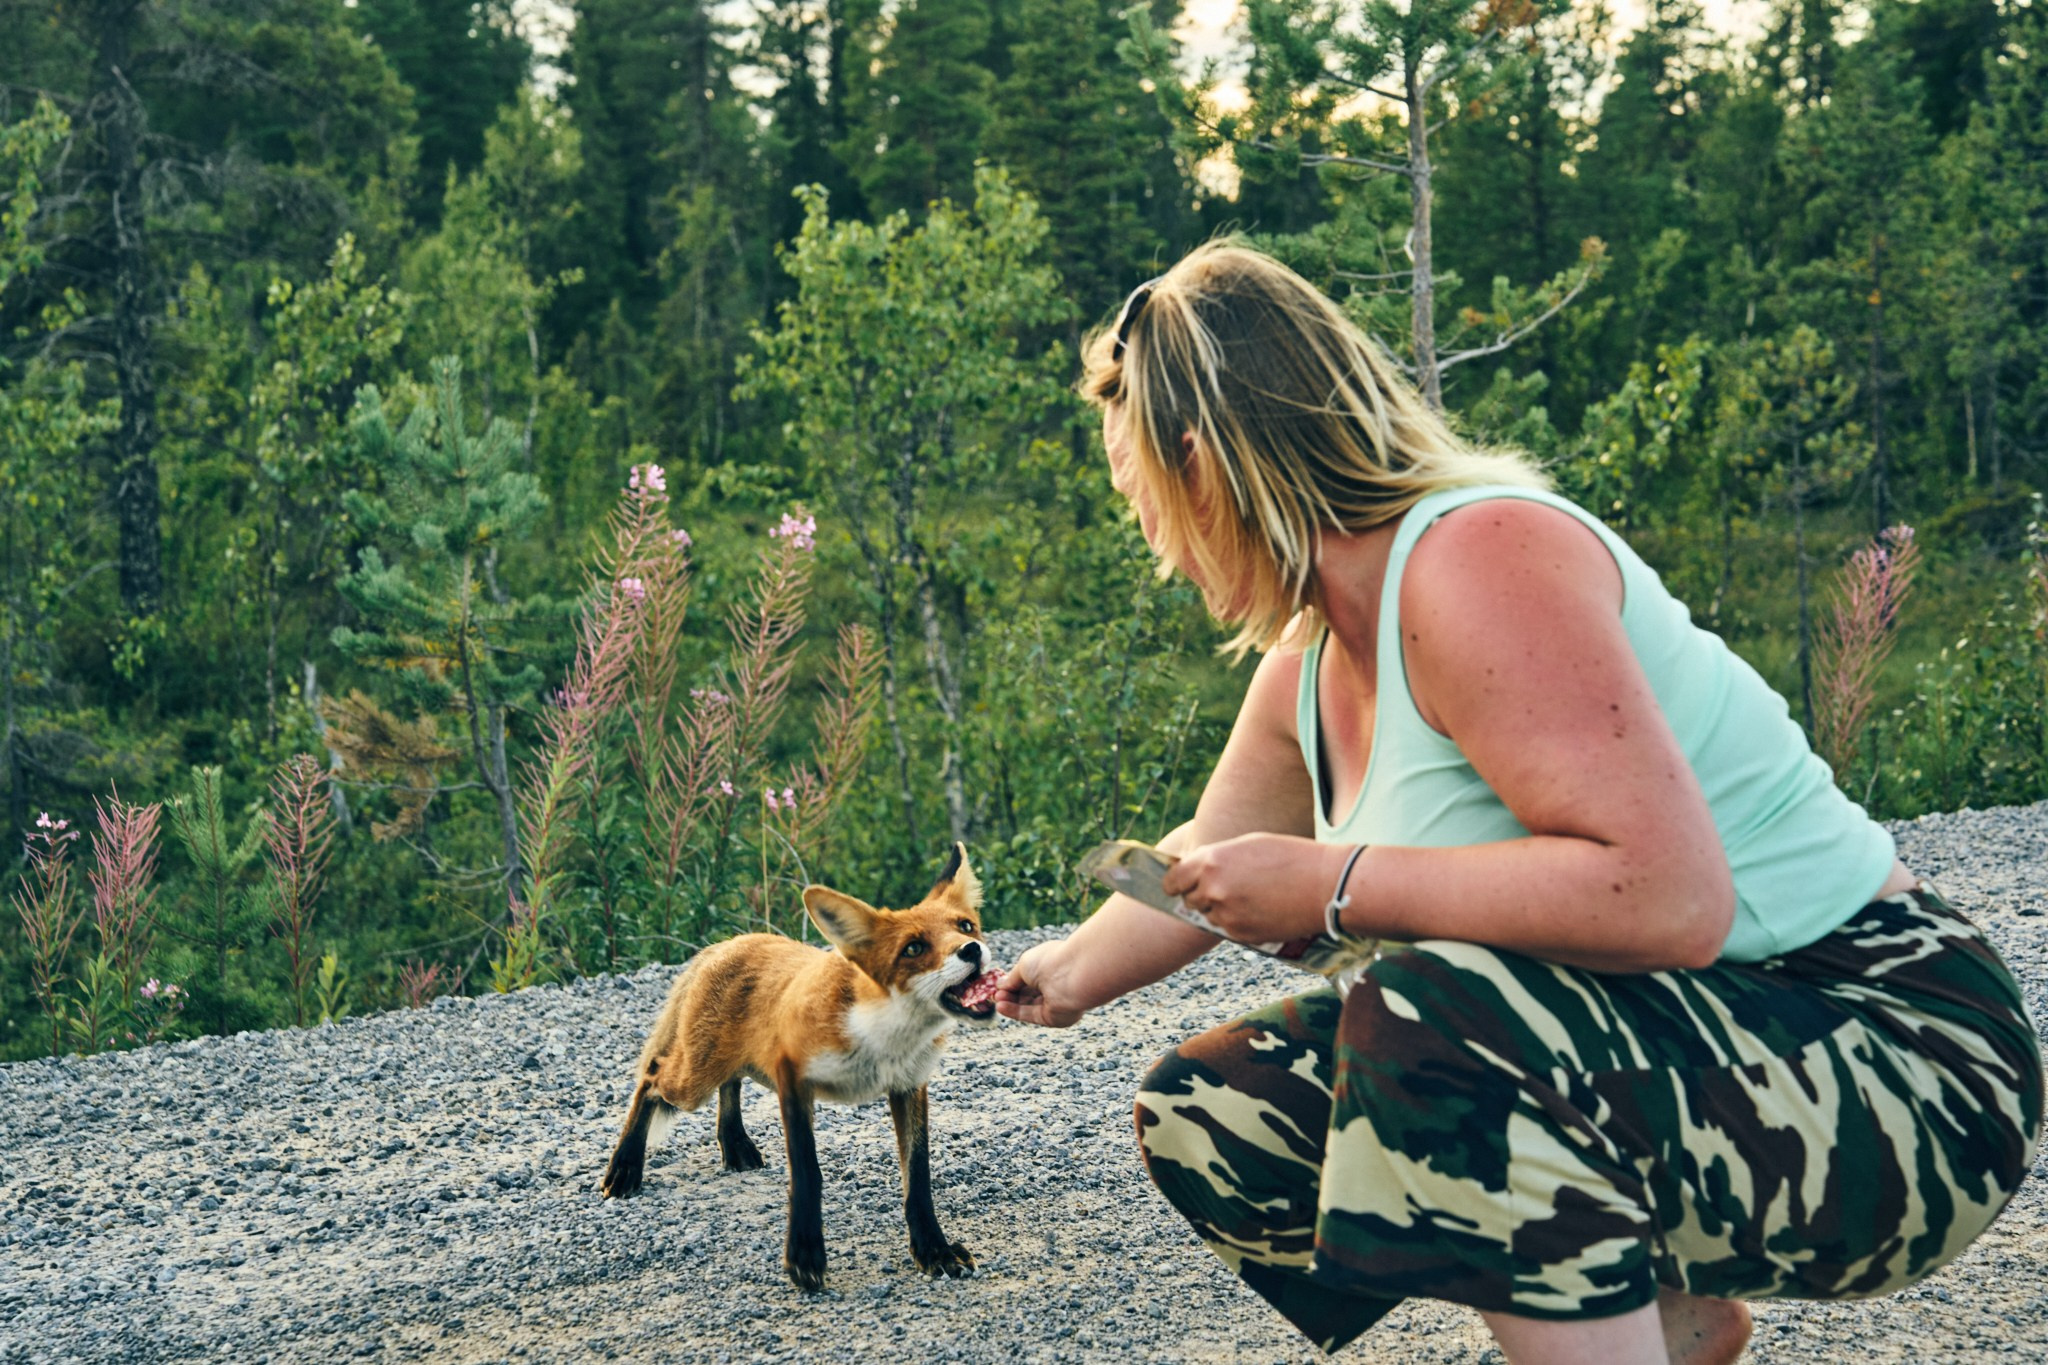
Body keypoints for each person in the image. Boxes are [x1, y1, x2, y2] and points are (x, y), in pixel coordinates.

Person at [991, 241, 2043, 1365]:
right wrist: (1058, 975)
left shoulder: (1474, 554)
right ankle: (1669, 1325)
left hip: (1896, 1059)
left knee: (1422, 1017)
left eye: (1136, 495)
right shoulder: (1303, 669)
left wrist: (1334, 888)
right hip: (1708, 1038)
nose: (1148, 539)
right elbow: (1206, 855)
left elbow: (1667, 897)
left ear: (1199, 462)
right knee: (1221, 1110)